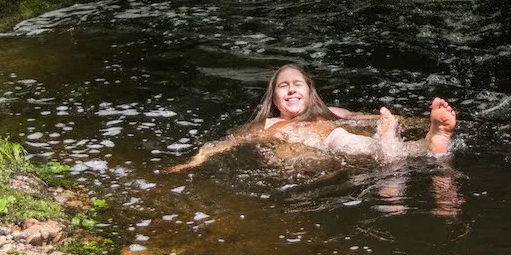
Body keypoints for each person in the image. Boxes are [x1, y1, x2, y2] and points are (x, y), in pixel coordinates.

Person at [168, 64, 457, 172]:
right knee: (365, 147)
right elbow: (227, 142)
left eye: (298, 84)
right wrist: (194, 160)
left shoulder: (332, 114)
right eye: (283, 85)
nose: (291, 88)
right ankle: (394, 144)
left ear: (310, 92)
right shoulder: (266, 124)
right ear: (273, 98)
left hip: (334, 142)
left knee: (357, 141)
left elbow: (367, 117)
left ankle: (433, 137)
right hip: (304, 156)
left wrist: (416, 121)